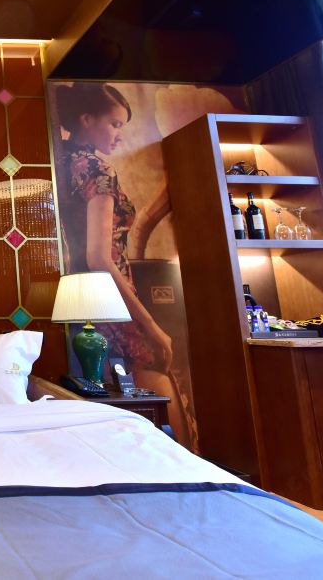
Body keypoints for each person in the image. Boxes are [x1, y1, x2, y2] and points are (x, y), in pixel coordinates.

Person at [54, 82, 194, 448]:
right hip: (111, 294)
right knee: (156, 374)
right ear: (86, 119)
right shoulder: (98, 170)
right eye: (114, 124)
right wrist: (150, 325)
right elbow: (100, 257)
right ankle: (184, 463)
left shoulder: (62, 162)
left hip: (79, 294)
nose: (119, 134)